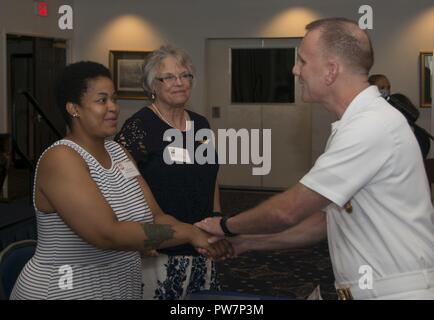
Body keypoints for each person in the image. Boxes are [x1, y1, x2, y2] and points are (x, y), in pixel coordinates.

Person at [196, 18, 434, 300]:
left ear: (331, 70)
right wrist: (246, 243)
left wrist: (224, 225)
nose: (295, 70)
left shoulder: (370, 125)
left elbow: (289, 210)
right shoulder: (359, 122)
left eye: (303, 61)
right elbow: (322, 223)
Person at [10, 61, 231, 300]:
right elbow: (107, 234)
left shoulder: (118, 152)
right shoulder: (61, 158)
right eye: (102, 100)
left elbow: (155, 215)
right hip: (64, 291)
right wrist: (188, 233)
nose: (114, 107)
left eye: (114, 99)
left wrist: (203, 235)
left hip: (118, 288)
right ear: (74, 108)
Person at [115, 45, 222, 300]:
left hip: (203, 244)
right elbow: (123, 188)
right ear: (153, 85)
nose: (179, 83)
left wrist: (217, 219)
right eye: (169, 77)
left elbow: (212, 175)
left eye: (185, 76)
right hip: (161, 249)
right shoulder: (138, 128)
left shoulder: (200, 124)